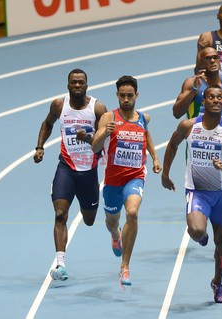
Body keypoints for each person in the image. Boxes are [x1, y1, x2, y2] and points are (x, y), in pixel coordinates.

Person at [162, 85, 222, 303]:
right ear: (204, 101)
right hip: (197, 192)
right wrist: (165, 173)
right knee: (198, 231)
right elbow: (172, 145)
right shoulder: (189, 126)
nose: (216, 100)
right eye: (211, 97)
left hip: (219, 194)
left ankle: (218, 282)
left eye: (220, 97)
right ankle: (201, 235)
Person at [34, 68, 107, 281]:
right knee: (60, 214)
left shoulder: (98, 108)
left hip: (88, 171)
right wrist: (39, 147)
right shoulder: (59, 105)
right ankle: (61, 263)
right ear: (68, 85)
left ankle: (110, 231)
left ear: (87, 85)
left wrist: (89, 138)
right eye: (73, 82)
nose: (77, 85)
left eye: (81, 82)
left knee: (89, 220)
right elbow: (47, 124)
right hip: (66, 167)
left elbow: (105, 136)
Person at [92, 75, 161, 286]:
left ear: (136, 95)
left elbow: (146, 135)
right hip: (113, 180)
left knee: (132, 213)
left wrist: (155, 157)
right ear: (117, 96)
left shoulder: (143, 118)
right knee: (112, 222)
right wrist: (105, 132)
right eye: (122, 96)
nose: (126, 99)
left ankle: (125, 267)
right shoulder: (108, 117)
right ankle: (116, 235)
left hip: (135, 177)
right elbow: (94, 148)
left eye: (130, 95)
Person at [173, 47, 222, 144]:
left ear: (220, 60)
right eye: (208, 58)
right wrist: (194, 90)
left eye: (215, 57)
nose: (212, 61)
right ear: (201, 63)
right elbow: (177, 113)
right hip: (196, 140)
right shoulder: (192, 83)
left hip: (221, 140)